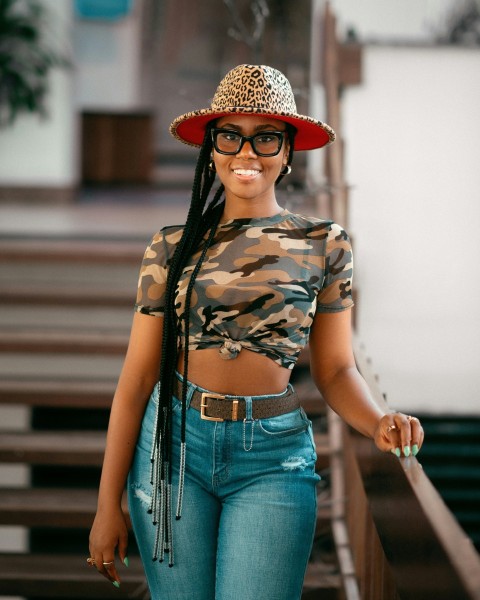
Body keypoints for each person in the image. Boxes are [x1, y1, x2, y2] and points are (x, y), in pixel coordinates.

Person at [88, 64, 424, 599]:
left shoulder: (325, 243)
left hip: (272, 458)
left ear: (287, 152)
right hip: (173, 449)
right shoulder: (171, 247)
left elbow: (337, 371)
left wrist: (379, 420)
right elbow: (137, 378)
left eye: (265, 138)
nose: (246, 152)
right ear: (212, 149)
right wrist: (108, 505)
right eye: (231, 136)